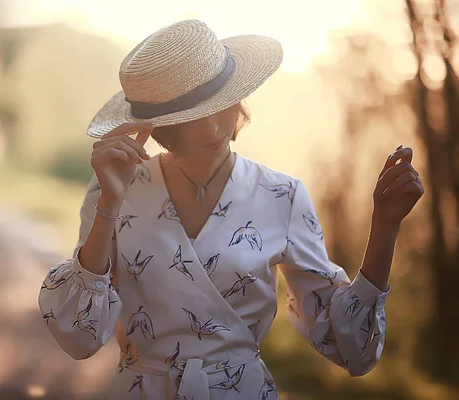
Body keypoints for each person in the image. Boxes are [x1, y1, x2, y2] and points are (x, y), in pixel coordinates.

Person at [38, 20, 424, 399]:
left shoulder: (281, 195)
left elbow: (351, 348)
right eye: (191, 117)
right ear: (158, 125)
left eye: (221, 106)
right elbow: (78, 334)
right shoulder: (114, 189)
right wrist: (109, 202)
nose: (213, 130)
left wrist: (386, 226)